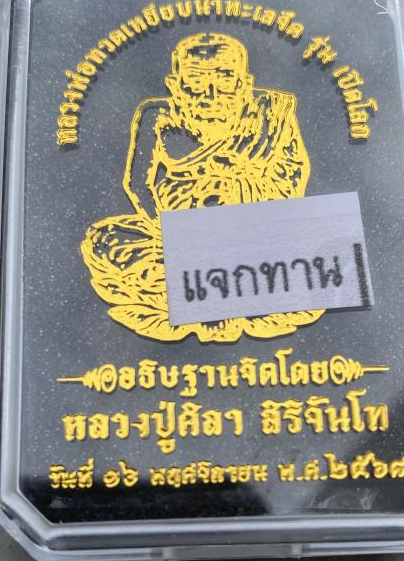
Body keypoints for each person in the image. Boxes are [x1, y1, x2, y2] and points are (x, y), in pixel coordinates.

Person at [81, 32, 324, 342]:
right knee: (104, 240)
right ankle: (247, 291)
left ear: (245, 84)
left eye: (224, 79)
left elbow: (292, 175)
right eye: (196, 81)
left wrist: (238, 197)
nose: (210, 93)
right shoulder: (157, 116)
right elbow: (138, 184)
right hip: (180, 231)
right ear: (174, 86)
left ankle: (200, 292)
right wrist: (179, 232)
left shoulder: (273, 112)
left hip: (254, 230)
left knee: (327, 240)